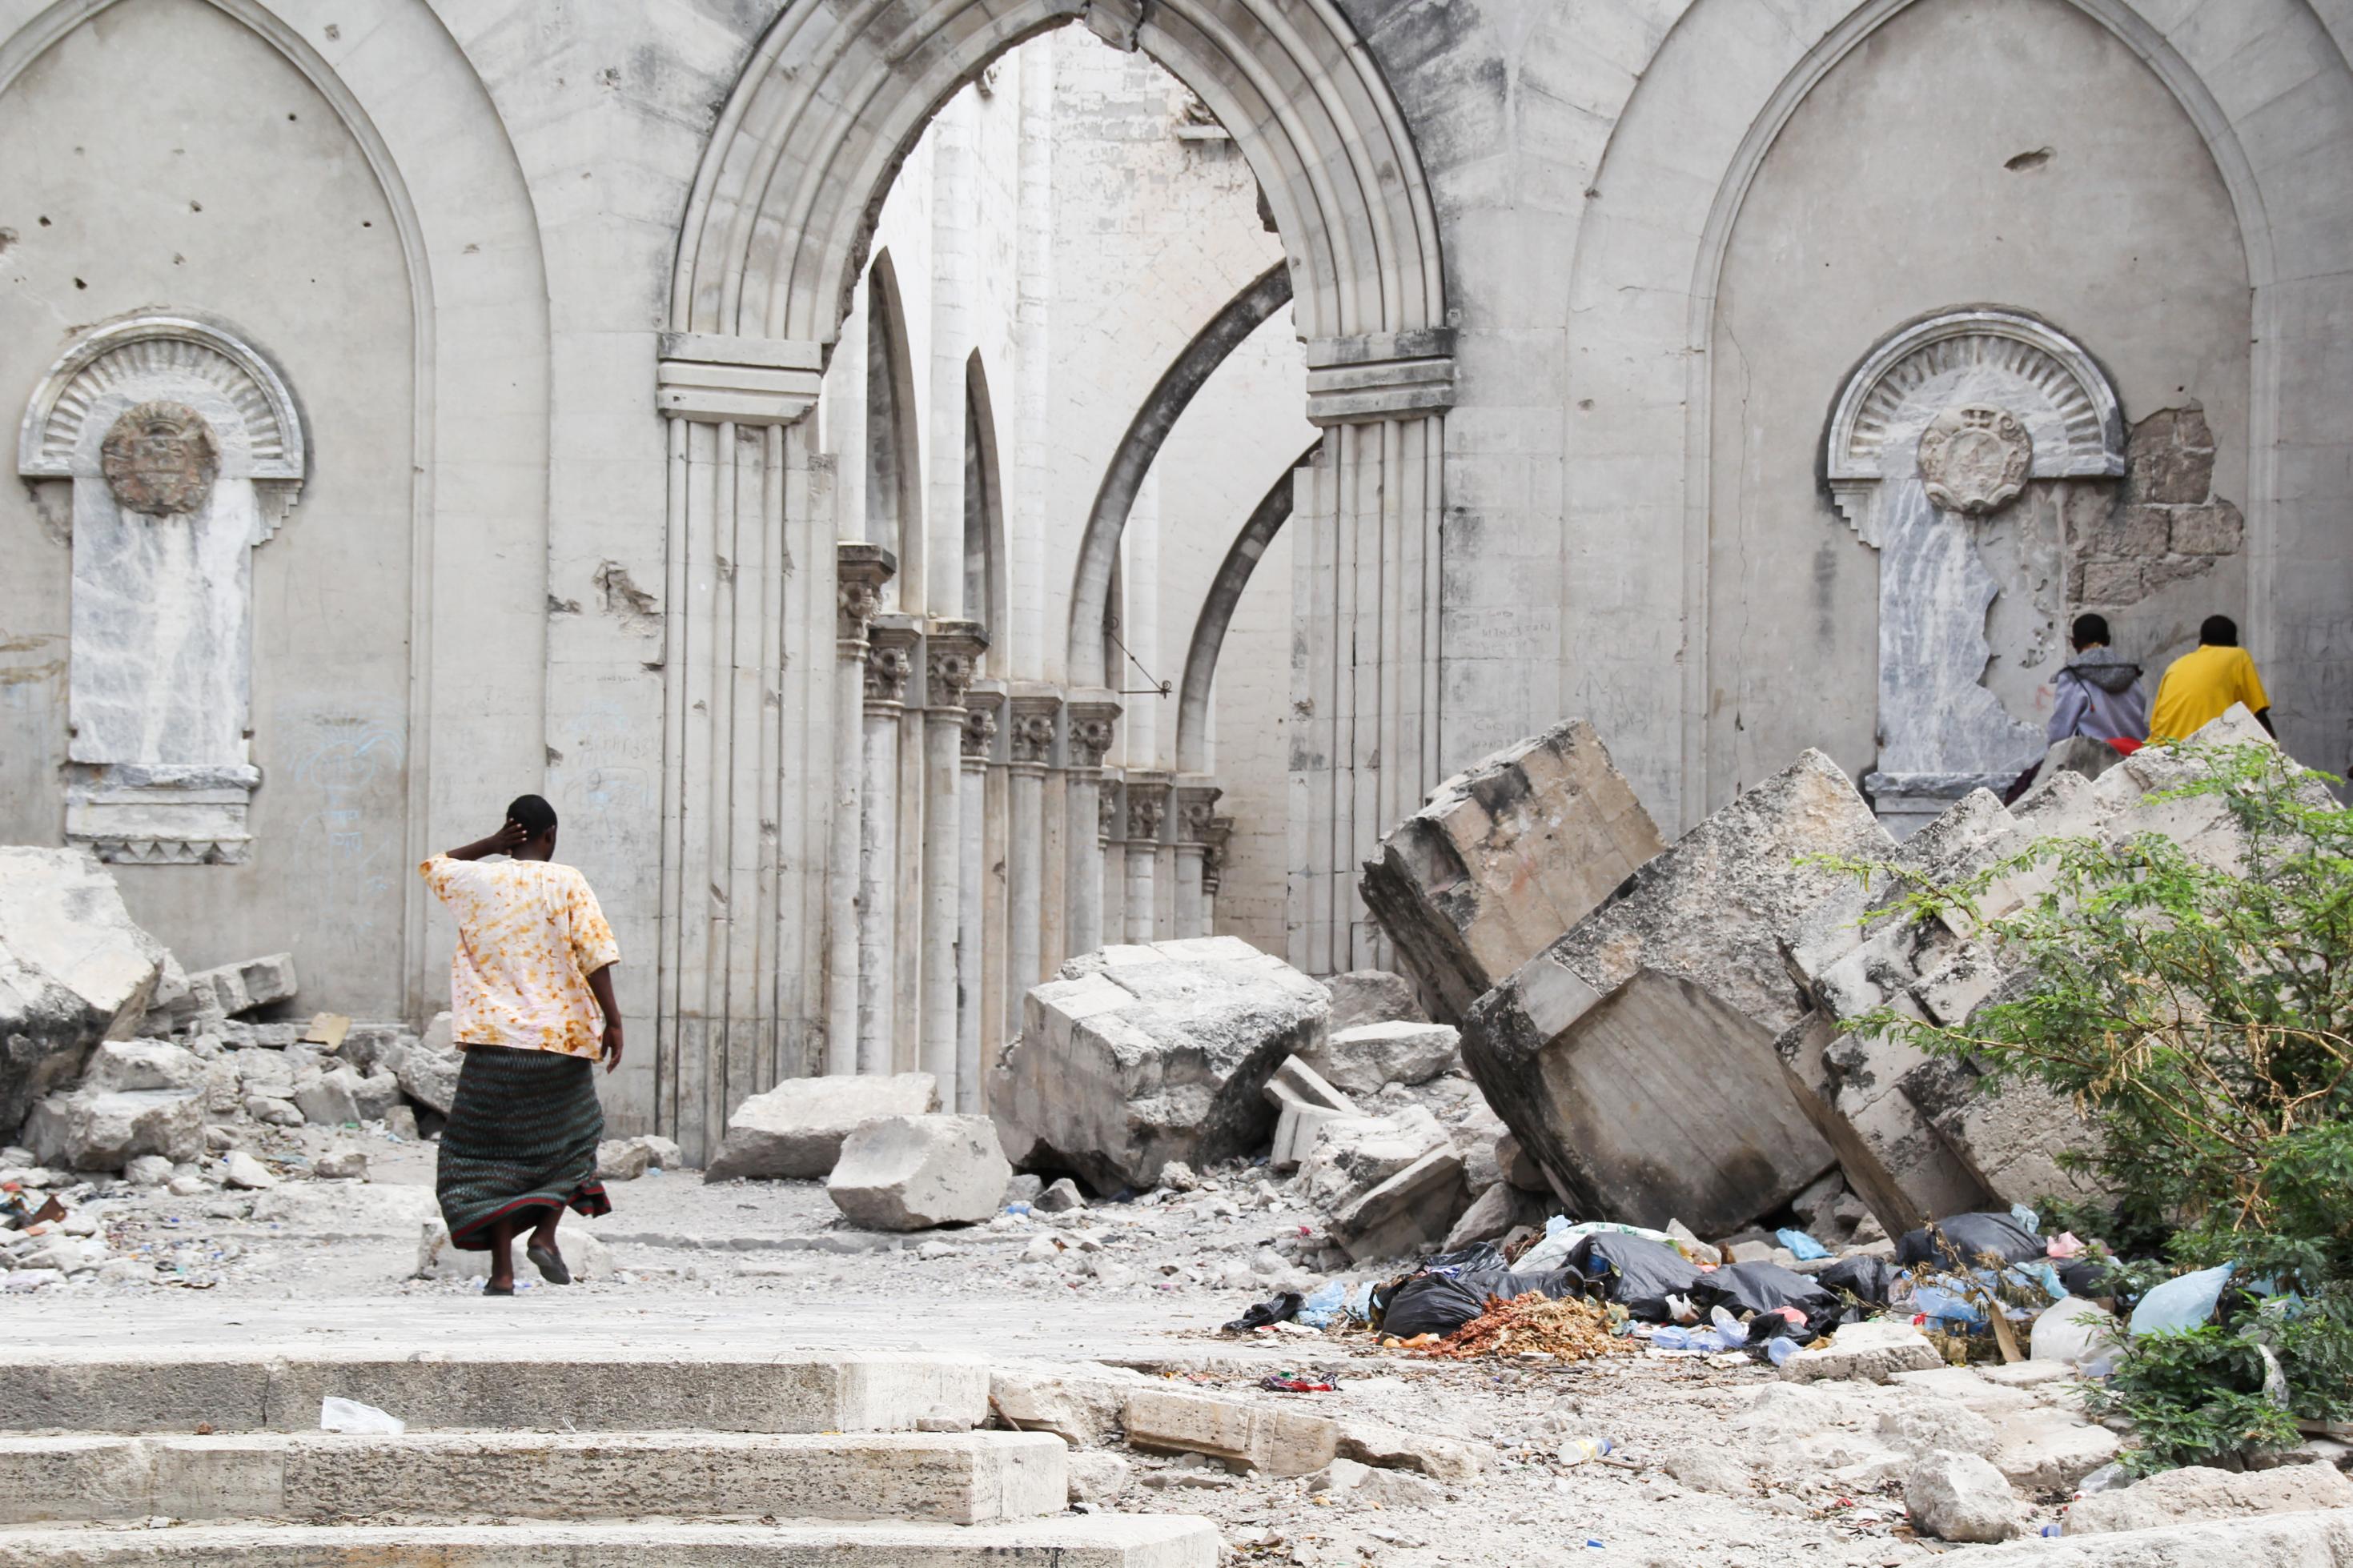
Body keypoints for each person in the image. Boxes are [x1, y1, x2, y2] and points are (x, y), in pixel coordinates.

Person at [418, 794, 622, 1297]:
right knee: (576, 1138)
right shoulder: (566, 881)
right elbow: (595, 955)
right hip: (559, 1041)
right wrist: (613, 1022)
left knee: (489, 1158)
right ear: (549, 835)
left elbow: (435, 865)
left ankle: (501, 1274)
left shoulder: (477, 880)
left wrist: (489, 846)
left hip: (493, 1044)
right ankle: (546, 1236)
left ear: (510, 833)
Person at [2146, 613, 2275, 743]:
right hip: (2202, 749)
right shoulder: (2237, 656)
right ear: (2234, 643)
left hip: (2161, 747)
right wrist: (2276, 752)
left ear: (2200, 643)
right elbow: (2257, 712)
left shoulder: (2175, 666)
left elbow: (2156, 723)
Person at [2046, 613, 2149, 752]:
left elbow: (2060, 730)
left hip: (2096, 757)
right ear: (2108, 639)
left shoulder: (2072, 676)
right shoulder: (2131, 673)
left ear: (2074, 642)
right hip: (2135, 754)